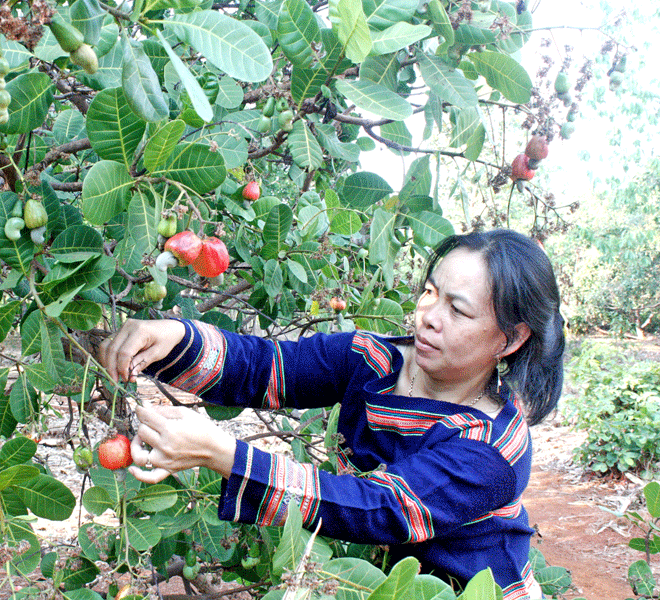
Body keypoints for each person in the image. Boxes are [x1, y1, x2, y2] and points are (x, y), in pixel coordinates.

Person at [97, 229, 565, 600]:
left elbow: (376, 507)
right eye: (429, 291)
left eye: (457, 310)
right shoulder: (369, 360)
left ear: (510, 339)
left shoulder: (493, 449)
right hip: (383, 586)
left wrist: (225, 455)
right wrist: (174, 338)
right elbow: (266, 368)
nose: (427, 315)